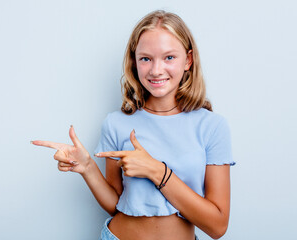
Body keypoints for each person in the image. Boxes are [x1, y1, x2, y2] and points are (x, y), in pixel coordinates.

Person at [32, 10, 235, 240]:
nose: (156, 70)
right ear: (134, 62)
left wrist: (157, 171)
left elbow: (217, 226)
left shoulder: (212, 127)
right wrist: (87, 168)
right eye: (146, 58)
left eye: (169, 57)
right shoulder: (116, 123)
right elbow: (117, 205)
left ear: (188, 60)